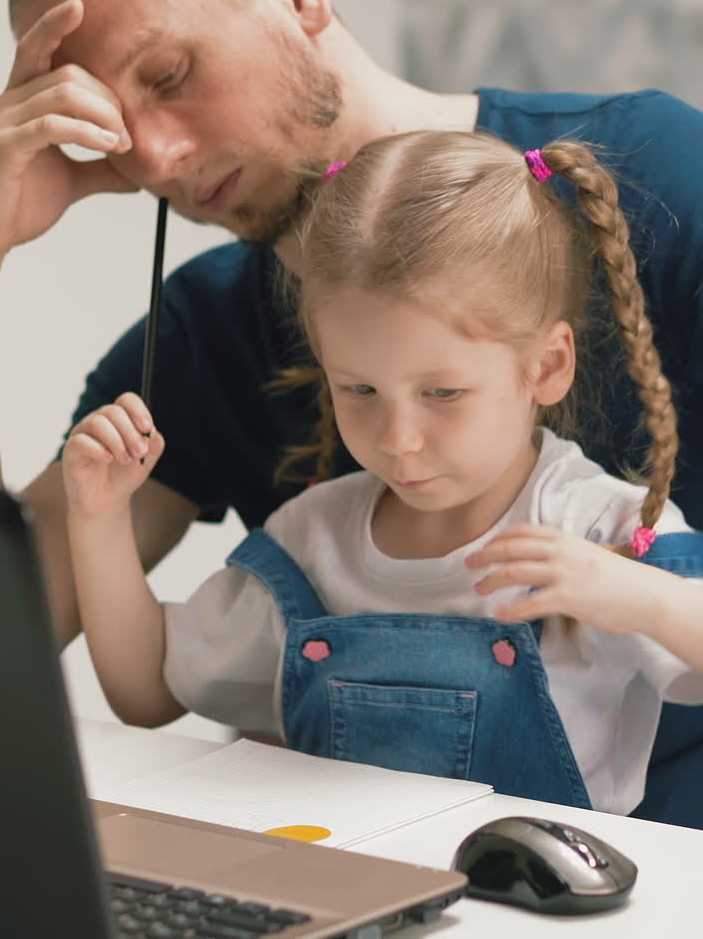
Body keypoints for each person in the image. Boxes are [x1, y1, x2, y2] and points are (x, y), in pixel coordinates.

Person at [0, 0, 703, 823]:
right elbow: (2, 664)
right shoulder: (203, 334)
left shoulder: (664, 180)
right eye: (113, 123)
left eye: (171, 73)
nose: (156, 156)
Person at [61, 130, 703, 816]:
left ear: (546, 367)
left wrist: (636, 596)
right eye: (360, 391)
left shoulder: (602, 530)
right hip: (341, 898)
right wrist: (96, 519)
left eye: (442, 394)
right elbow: (146, 691)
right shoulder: (312, 539)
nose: (399, 441)